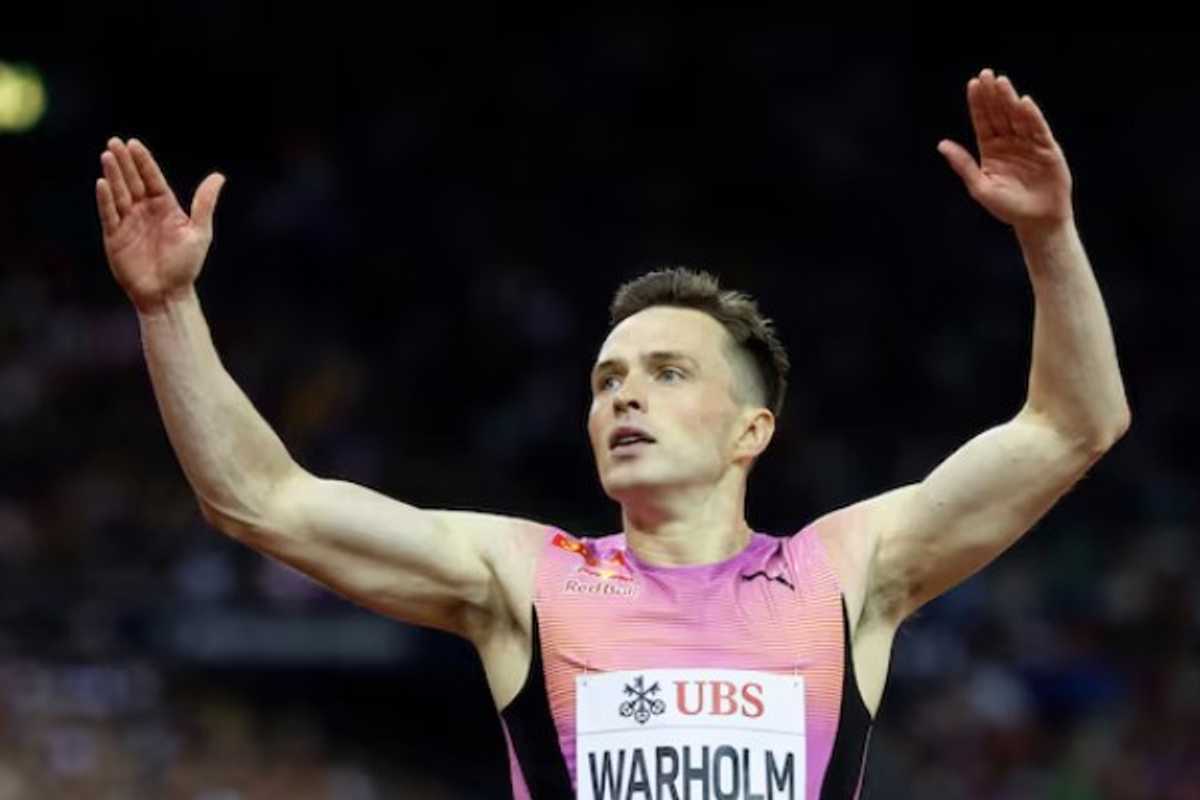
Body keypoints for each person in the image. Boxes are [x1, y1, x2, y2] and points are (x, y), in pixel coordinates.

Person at [95, 67, 1130, 799]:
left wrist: (1048, 234)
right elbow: (258, 497)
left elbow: (1073, 423)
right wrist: (165, 311)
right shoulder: (526, 578)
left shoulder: (847, 573)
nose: (622, 397)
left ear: (751, 429)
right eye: (605, 380)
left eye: (666, 372)